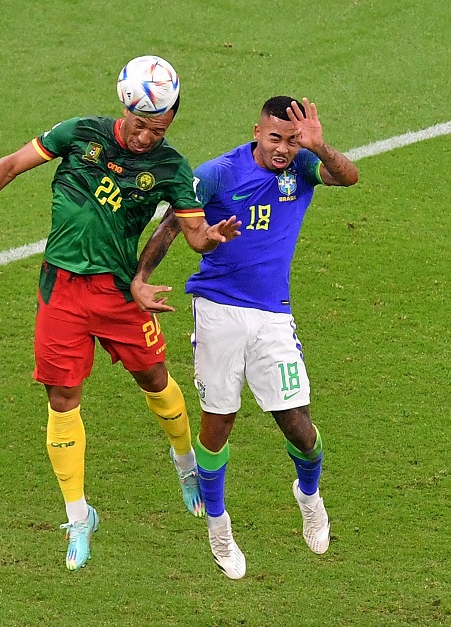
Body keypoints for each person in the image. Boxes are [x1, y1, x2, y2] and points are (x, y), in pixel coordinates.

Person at [0, 59, 241, 571]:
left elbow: (192, 233)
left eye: (158, 129)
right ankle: (79, 515)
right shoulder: (80, 134)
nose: (146, 137)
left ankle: (187, 466)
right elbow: (10, 164)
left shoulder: (171, 168)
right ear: (124, 108)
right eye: (140, 125)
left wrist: (212, 237)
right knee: (62, 397)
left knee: (155, 378)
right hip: (63, 291)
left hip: (119, 293)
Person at [132, 96, 358, 579]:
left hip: (274, 315)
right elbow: (174, 224)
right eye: (275, 138)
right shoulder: (218, 173)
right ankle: (218, 525)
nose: (283, 149)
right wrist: (141, 277)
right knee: (219, 423)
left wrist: (321, 148)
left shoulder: (303, 167)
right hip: (218, 310)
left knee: (299, 427)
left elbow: (348, 177)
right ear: (256, 132)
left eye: (292, 140)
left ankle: (309, 495)